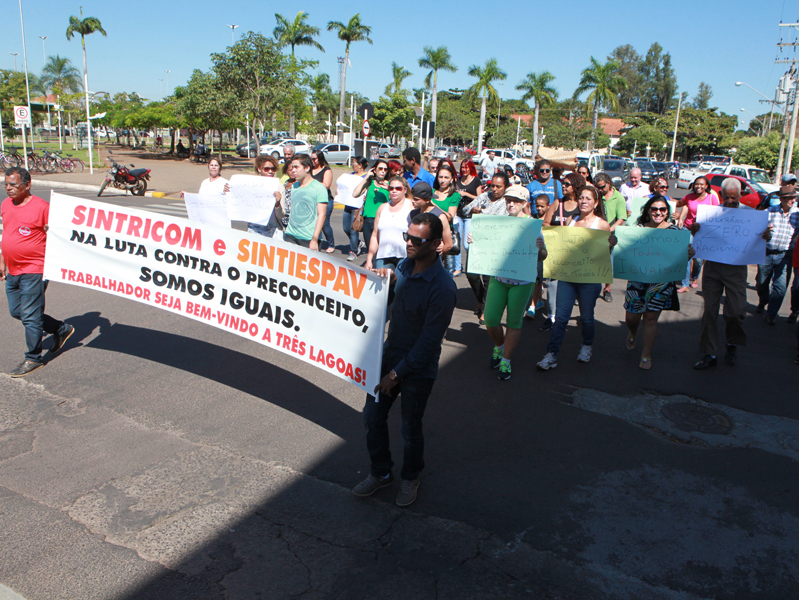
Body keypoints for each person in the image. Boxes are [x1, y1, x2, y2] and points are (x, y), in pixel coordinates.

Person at [353, 212, 457, 507]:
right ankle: (380, 473)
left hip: (417, 369)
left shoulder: (443, 288)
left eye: (415, 239)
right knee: (372, 418)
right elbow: (390, 305)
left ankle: (410, 477)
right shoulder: (403, 265)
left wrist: (396, 375)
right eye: (406, 237)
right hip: (389, 357)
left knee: (410, 428)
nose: (408, 243)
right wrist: (387, 281)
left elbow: (427, 343)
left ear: (436, 243)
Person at [1, 167, 75, 377]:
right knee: (17, 311)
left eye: (13, 185)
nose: (9, 188)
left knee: (31, 316)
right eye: (6, 184)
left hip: (35, 268)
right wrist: (2, 260)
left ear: (27, 184)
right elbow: (8, 232)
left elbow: (59, 235)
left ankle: (33, 358)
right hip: (13, 268)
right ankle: (60, 329)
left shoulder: (42, 208)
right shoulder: (6, 204)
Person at [693, 179, 772, 369]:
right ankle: (710, 354)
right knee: (710, 312)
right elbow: (700, 237)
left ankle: (732, 343)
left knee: (736, 312)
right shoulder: (711, 214)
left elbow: (760, 239)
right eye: (727, 197)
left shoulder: (751, 215)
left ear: (740, 195)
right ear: (721, 195)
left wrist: (766, 236)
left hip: (736, 269)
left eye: (734, 198)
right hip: (713, 268)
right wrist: (694, 229)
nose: (730, 201)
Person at [470, 185, 547, 380]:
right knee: (490, 319)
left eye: (516, 201)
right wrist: (475, 240)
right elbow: (486, 246)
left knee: (514, 322)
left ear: (524, 204)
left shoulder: (532, 225)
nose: (511, 204)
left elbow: (543, 256)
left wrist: (540, 249)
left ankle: (506, 360)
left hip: (522, 282)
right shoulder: (498, 223)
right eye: (508, 200)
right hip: (499, 278)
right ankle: (499, 346)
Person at [537, 186, 615, 370]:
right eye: (581, 198)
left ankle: (586, 346)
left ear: (596, 203)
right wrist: (544, 244)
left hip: (589, 279)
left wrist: (611, 244)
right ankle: (552, 354)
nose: (584, 201)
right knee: (561, 318)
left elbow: (604, 253)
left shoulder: (601, 224)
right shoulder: (571, 221)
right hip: (568, 277)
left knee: (587, 317)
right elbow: (562, 245)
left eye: (588, 198)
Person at [624, 195, 695, 370]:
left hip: (661, 282)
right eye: (654, 209)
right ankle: (633, 330)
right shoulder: (637, 229)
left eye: (662, 209)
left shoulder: (676, 233)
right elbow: (625, 251)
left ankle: (646, 354)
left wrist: (689, 254)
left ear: (667, 212)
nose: (658, 212)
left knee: (650, 318)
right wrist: (614, 244)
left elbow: (681, 257)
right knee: (632, 317)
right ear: (648, 210)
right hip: (637, 280)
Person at [461, 172, 511, 323]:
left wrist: (483, 212)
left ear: (506, 187)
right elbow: (464, 209)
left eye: (498, 186)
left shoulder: (507, 202)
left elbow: (503, 220)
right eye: (492, 185)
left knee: (489, 279)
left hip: (494, 245)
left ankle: (485, 310)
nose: (494, 189)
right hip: (476, 242)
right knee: (472, 275)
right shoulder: (483, 196)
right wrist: (472, 210)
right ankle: (481, 299)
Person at [540, 172, 585, 330]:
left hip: (577, 254)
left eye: (567, 184)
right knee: (553, 284)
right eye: (563, 184)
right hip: (557, 251)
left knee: (578, 286)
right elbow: (545, 223)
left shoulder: (583, 206)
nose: (563, 186)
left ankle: (582, 315)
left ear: (576, 186)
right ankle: (552, 317)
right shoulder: (557, 203)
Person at [756, 186, 798, 325]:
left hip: (785, 255)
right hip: (766, 253)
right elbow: (757, 231)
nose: (794, 200)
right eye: (790, 197)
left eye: (795, 197)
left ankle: (771, 314)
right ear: (782, 199)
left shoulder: (797, 214)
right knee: (762, 282)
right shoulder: (769, 212)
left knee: (780, 287)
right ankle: (763, 300)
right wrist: (764, 231)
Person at [677, 176, 719, 292]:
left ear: (706, 186)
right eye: (696, 184)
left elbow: (718, 215)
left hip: (703, 232)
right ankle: (685, 284)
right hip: (688, 228)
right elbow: (678, 204)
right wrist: (678, 216)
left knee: (699, 259)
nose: (698, 186)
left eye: (701, 184)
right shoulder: (689, 197)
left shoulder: (712, 198)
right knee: (687, 255)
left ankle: (695, 277)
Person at [365, 176, 413, 271]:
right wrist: (369, 259)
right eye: (391, 188)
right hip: (383, 257)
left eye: (398, 188)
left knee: (401, 285)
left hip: (404, 257)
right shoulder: (382, 208)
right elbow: (375, 235)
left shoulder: (411, 206)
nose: (394, 191)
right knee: (384, 285)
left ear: (405, 190)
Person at [283, 154, 328, 250]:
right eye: (292, 167)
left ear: (307, 168)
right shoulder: (294, 186)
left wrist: (314, 239)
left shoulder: (319, 188)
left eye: (296, 167)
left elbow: (322, 215)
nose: (293, 170)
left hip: (308, 238)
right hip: (290, 235)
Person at [594, 172, 627, 303]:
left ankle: (607, 289)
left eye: (602, 187)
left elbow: (621, 218)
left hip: (611, 234)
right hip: (596, 232)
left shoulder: (618, 197)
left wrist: (609, 229)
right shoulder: (597, 196)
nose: (600, 190)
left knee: (609, 264)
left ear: (609, 183)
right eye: (598, 188)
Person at [353, 159, 390, 253]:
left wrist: (389, 189)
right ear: (375, 170)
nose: (383, 171)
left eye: (385, 169)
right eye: (380, 168)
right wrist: (366, 177)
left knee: (379, 250)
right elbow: (355, 194)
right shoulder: (370, 183)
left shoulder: (390, 185)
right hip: (367, 220)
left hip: (381, 221)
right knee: (370, 249)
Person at [409, 182, 453, 255]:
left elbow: (449, 245)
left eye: (416, 199)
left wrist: (438, 257)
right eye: (412, 198)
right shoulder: (413, 214)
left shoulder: (440, 216)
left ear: (427, 200)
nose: (413, 201)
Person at [343, 157, 369, 261]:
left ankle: (353, 251)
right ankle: (358, 243)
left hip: (357, 206)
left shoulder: (366, 176)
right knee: (346, 228)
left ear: (360, 165)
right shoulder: (351, 176)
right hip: (348, 204)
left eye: (354, 164)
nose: (352, 166)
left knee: (354, 229)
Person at [311, 149, 336, 253]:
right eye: (311, 159)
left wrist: (312, 182)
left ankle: (331, 243)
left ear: (319, 158)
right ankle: (316, 240)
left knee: (325, 224)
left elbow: (326, 185)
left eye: (314, 159)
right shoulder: (310, 169)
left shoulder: (326, 170)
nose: (312, 161)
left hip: (325, 200)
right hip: (313, 199)